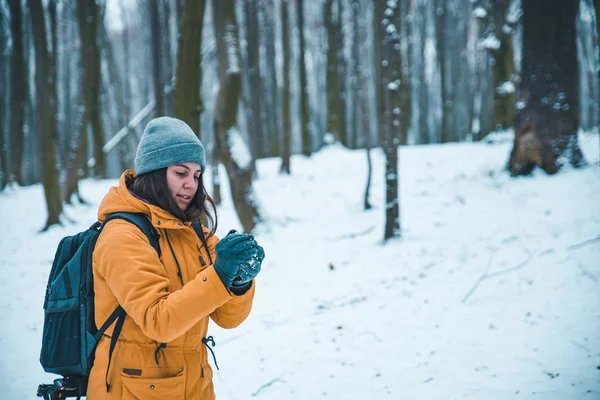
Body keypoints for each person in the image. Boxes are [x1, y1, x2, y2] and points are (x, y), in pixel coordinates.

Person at [86, 116, 264, 400]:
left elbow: (228, 319)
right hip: (131, 390)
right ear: (154, 173)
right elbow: (159, 321)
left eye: (196, 175)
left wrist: (239, 281)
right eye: (180, 173)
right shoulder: (122, 235)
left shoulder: (191, 232)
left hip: (194, 387)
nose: (191, 185)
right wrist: (220, 275)